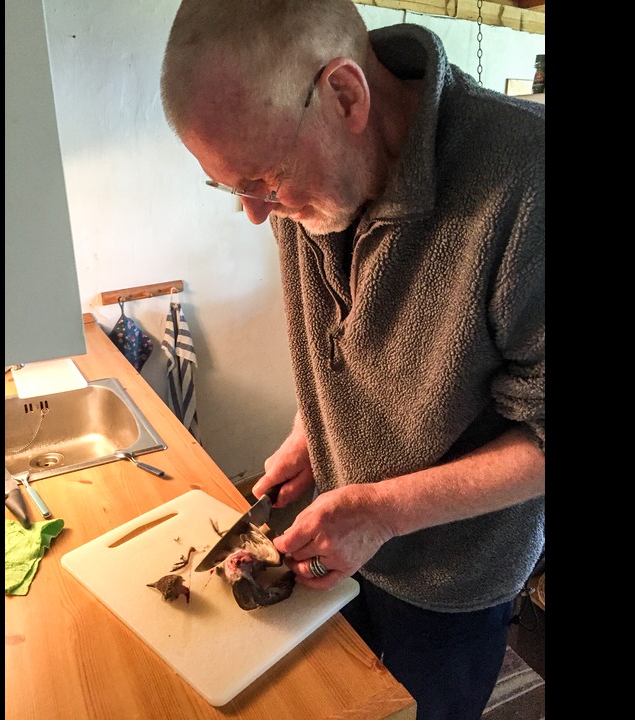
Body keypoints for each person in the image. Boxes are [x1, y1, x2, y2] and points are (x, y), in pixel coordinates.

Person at [160, 2, 544, 719]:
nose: (255, 213)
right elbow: (356, 345)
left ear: (345, 95)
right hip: (340, 550)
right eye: (231, 187)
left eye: (262, 181)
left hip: (451, 585)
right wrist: (311, 433)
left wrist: (383, 512)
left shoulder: (527, 182)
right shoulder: (306, 188)